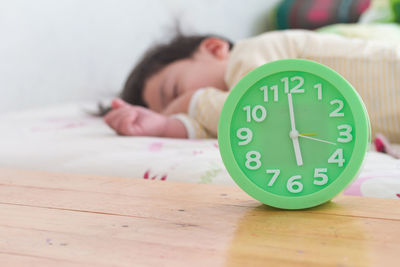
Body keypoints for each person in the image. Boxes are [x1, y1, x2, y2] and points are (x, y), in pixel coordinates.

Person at [103, 28, 400, 143]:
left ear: (215, 49)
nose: (184, 101)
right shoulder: (224, 113)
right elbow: (216, 125)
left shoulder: (253, 53)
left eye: (175, 92)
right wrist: (164, 125)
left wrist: (193, 101)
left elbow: (262, 113)